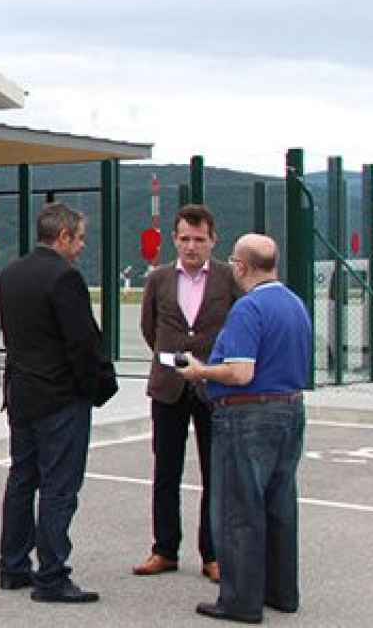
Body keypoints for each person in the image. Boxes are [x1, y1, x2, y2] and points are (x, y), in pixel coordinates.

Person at [181, 234, 312, 624]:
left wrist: (200, 371)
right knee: (280, 505)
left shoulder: (248, 308)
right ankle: (281, 592)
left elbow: (240, 371)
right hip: (289, 410)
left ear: (241, 266)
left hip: (247, 415)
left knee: (239, 508)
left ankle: (239, 600)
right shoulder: (295, 305)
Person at [0, 203, 118, 604]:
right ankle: (52, 575)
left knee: (21, 480)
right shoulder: (65, 278)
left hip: (22, 395)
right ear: (63, 236)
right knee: (59, 487)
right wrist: (96, 388)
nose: (82, 246)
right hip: (59, 399)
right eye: (79, 237)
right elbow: (83, 342)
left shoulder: (11, 274)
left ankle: (13, 565)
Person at [134, 204, 238, 584]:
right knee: (166, 471)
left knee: (216, 474)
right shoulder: (159, 279)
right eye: (184, 239)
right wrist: (171, 361)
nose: (191, 246)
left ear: (213, 240)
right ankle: (164, 549)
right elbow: (150, 329)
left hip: (214, 387)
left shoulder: (228, 280)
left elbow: (239, 327)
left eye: (199, 239)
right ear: (174, 239)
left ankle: (212, 553)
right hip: (169, 387)